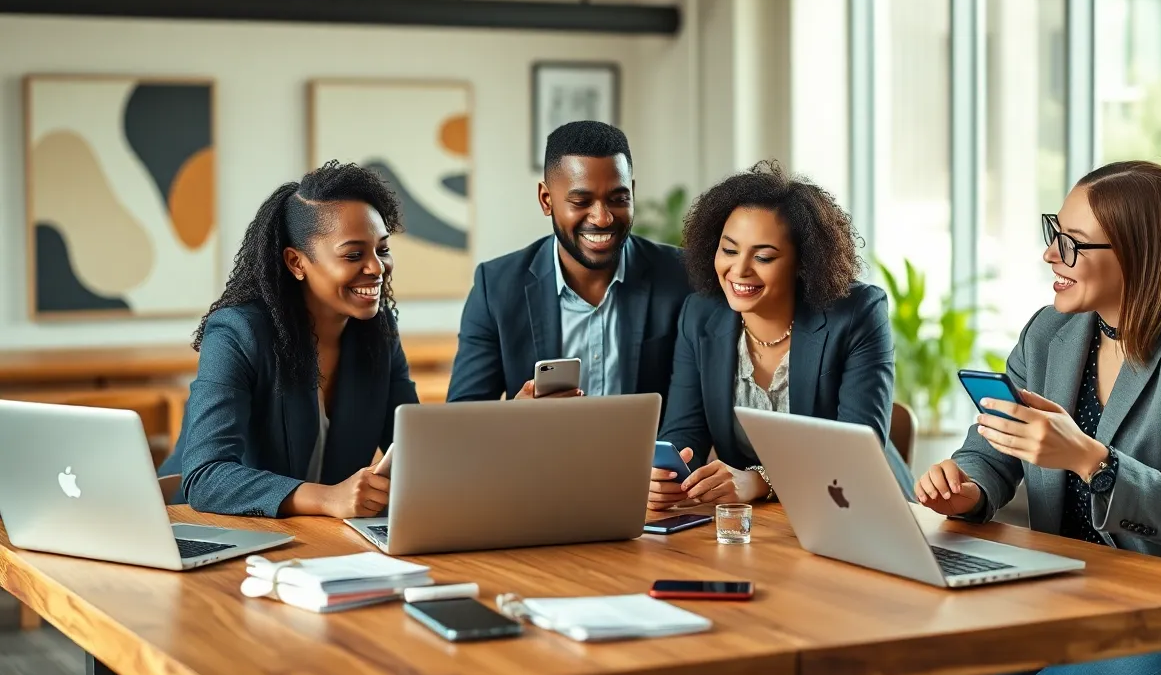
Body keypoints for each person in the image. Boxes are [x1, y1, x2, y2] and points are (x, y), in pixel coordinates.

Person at [914, 150, 1161, 675]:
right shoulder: (1049, 332)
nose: (1050, 254)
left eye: (1071, 242)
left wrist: (1092, 461)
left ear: (1137, 254)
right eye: (1054, 232)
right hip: (1064, 602)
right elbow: (990, 451)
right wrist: (967, 487)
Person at [650, 161, 916, 511]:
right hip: (763, 523)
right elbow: (683, 433)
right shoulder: (700, 316)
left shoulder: (857, 314)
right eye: (729, 250)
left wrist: (762, 480)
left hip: (858, 509)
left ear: (803, 262)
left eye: (763, 256)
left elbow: (856, 454)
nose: (739, 269)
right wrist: (667, 476)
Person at [169, 162, 419, 518]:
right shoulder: (237, 332)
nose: (377, 268)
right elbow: (206, 476)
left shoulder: (379, 333)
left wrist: (510, 423)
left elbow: (411, 450)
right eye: (353, 254)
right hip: (208, 528)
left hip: (314, 541)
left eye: (382, 249)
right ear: (296, 262)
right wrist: (328, 498)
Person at [447, 120, 692, 403]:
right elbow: (463, 415)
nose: (602, 218)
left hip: (647, 449)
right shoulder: (497, 288)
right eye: (581, 202)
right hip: (539, 448)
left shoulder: (680, 275)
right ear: (546, 200)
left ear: (632, 194)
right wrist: (515, 416)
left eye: (618, 199)